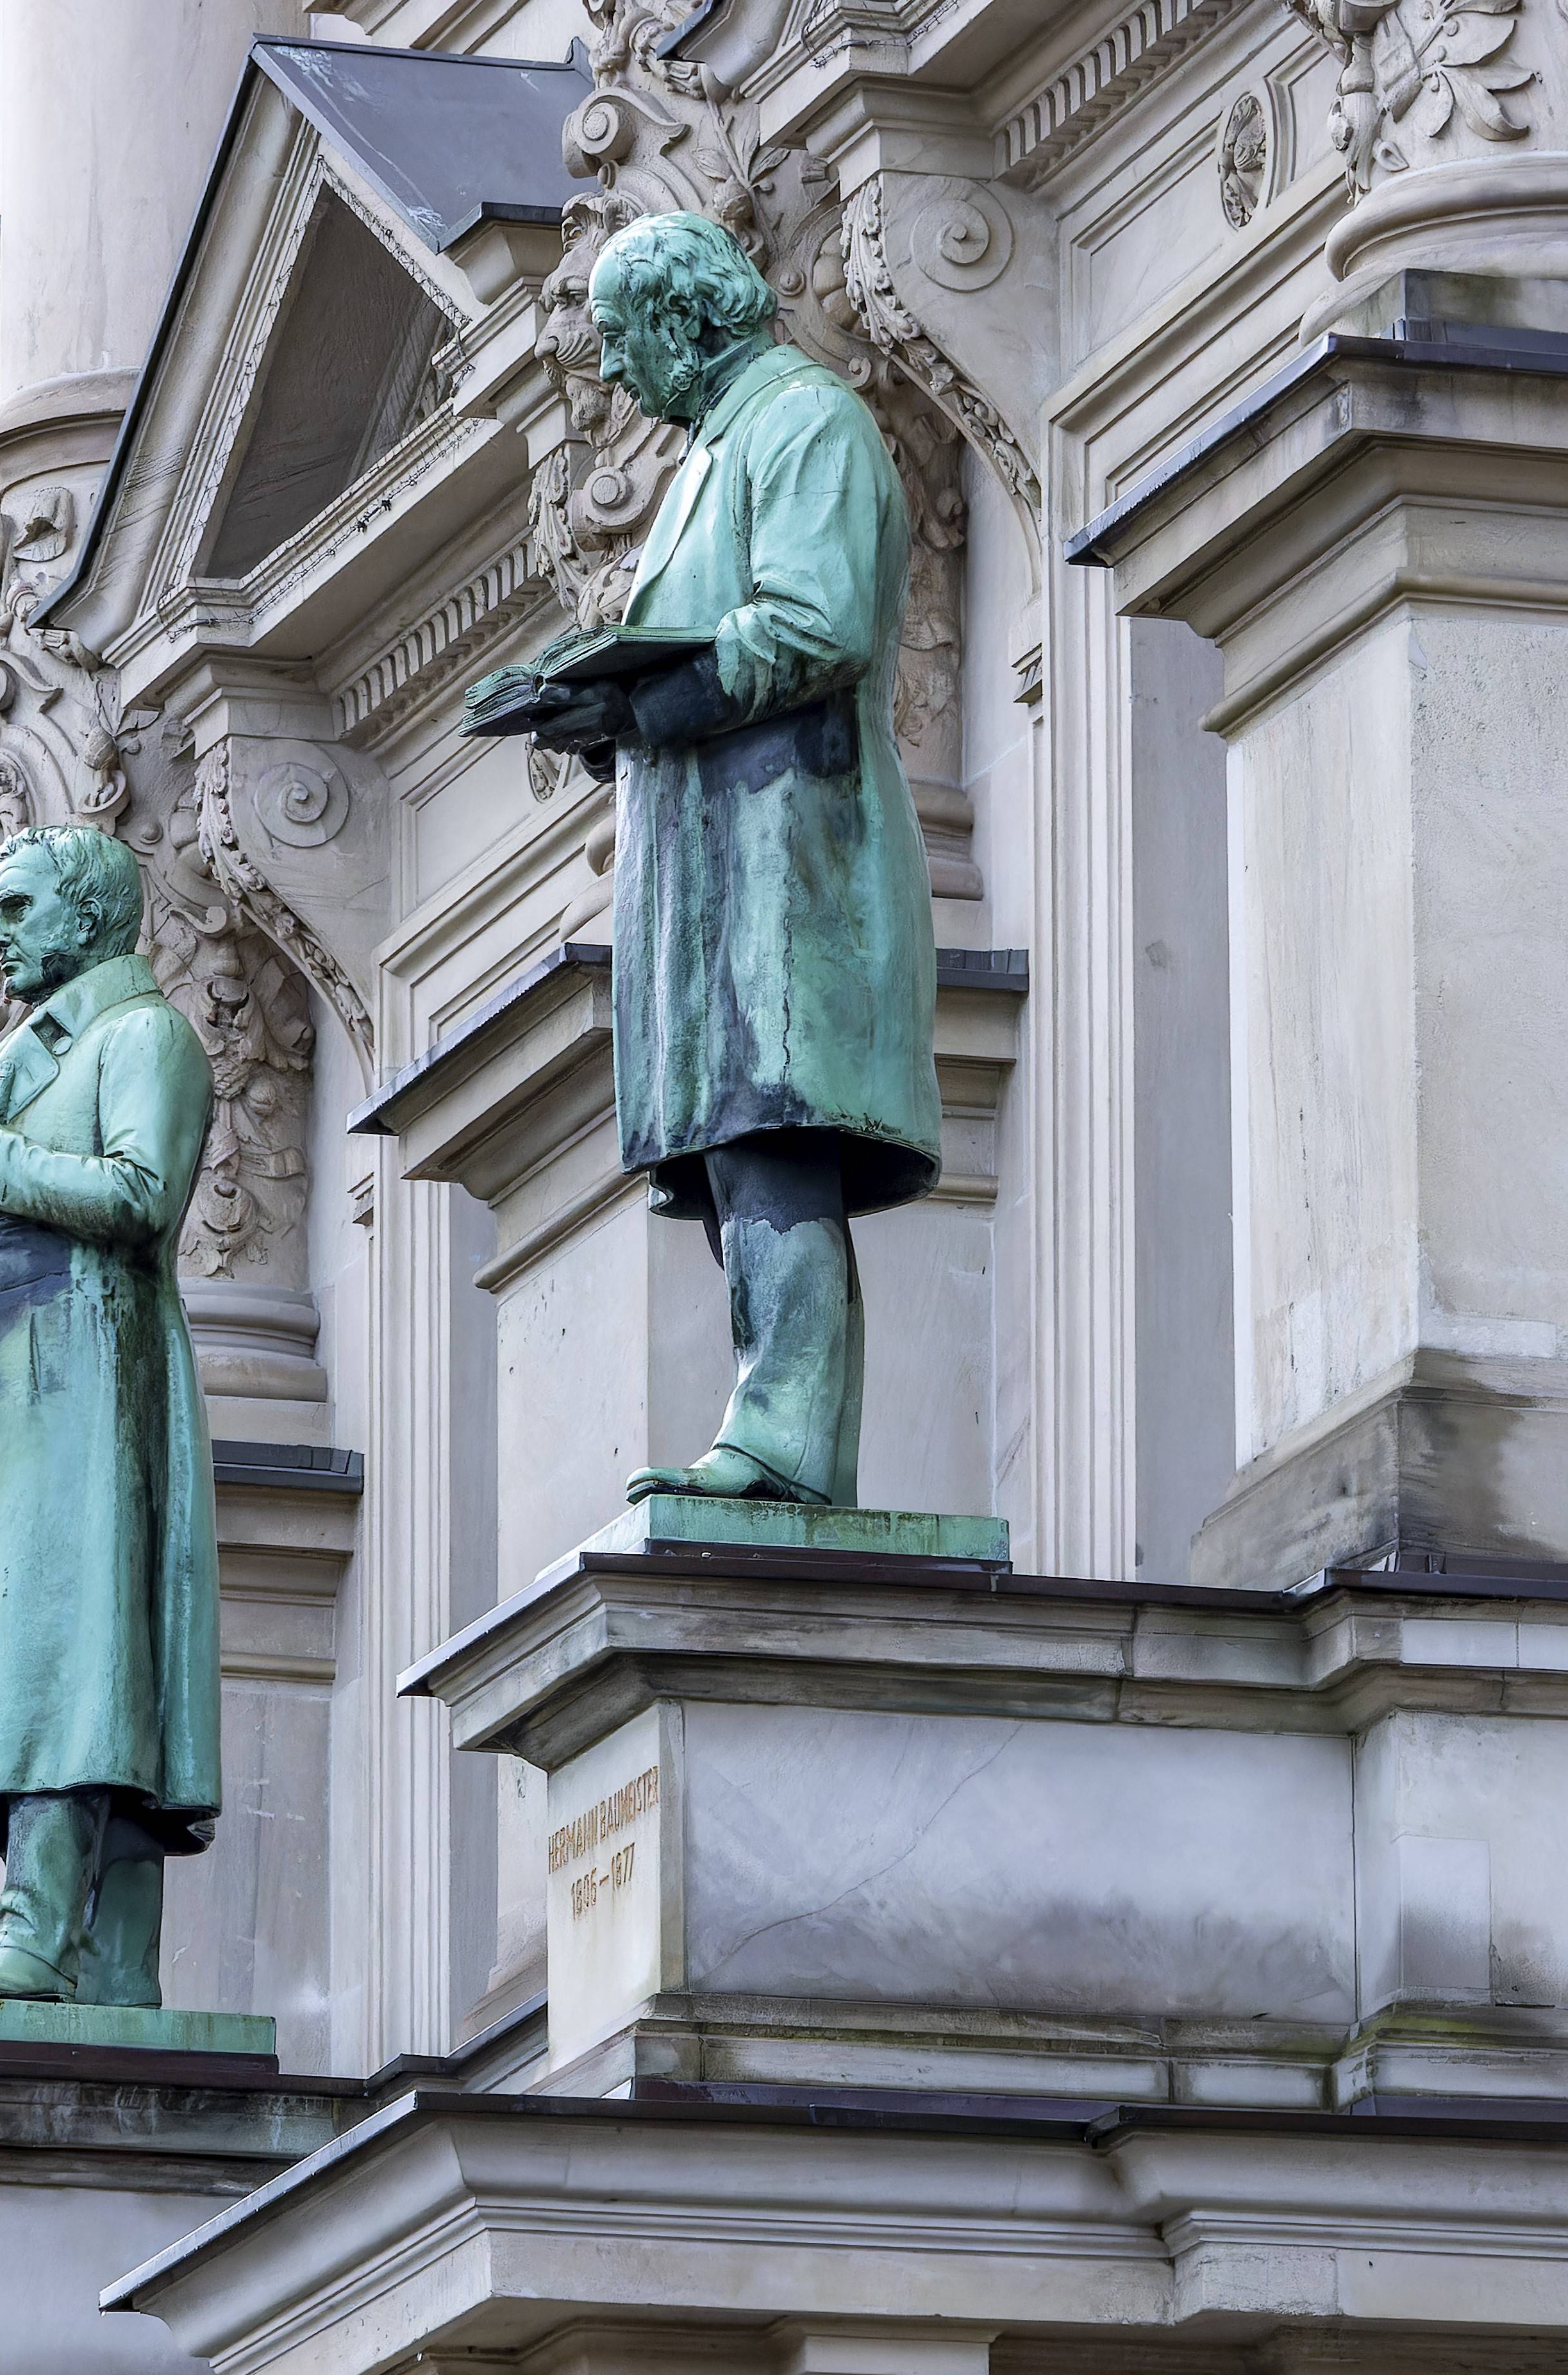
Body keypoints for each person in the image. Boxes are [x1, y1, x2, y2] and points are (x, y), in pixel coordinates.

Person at [513, 208, 941, 1508]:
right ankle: (772, 1424)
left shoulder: (805, 422)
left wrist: (649, 702)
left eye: (622, 343)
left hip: (790, 854)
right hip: (716, 860)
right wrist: (606, 715)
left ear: (686, 317)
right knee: (729, 1143)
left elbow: (816, 624)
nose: (617, 379)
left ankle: (789, 1438)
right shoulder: (721, 447)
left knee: (772, 1133)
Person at [0, 822, 222, 2006]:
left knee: (74, 1661)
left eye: (16, 904)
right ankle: (114, 1970)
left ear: (88, 916)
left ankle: (42, 1933)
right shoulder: (25, 1057)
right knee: (46, 1657)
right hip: (10, 1416)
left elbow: (144, 1193)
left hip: (89, 1389)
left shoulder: (143, 1036)